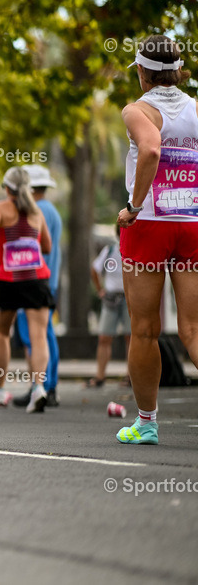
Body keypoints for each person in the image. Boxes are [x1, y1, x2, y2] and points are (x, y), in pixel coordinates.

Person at [114, 35, 198, 445]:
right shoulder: (197, 108)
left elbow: (149, 150)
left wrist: (133, 205)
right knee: (194, 329)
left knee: (145, 330)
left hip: (149, 225)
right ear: (177, 70)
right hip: (192, 223)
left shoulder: (137, 109)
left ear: (144, 73)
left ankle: (146, 424)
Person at [0, 167, 53, 413]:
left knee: (2, 333)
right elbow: (47, 247)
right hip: (36, 278)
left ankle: (0, 390)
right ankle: (39, 388)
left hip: (9, 278)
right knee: (38, 335)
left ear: (6, 187)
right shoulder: (37, 212)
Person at [12, 164, 63, 407]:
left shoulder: (35, 211)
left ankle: (41, 385)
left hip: (33, 281)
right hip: (48, 281)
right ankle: (47, 386)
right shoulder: (51, 210)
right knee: (45, 334)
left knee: (34, 336)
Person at [89, 226, 131, 387]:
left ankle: (131, 376)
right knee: (104, 337)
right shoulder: (111, 250)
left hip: (129, 298)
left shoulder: (134, 248)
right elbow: (94, 269)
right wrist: (100, 290)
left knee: (131, 338)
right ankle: (100, 376)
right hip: (111, 297)